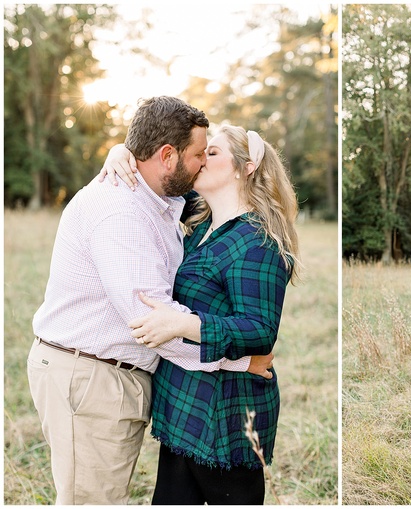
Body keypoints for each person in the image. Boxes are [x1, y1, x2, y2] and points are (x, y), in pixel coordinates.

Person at [27, 96, 272, 505]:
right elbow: (153, 323)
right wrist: (239, 361)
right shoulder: (124, 211)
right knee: (92, 501)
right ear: (167, 156)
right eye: (198, 154)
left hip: (105, 377)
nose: (202, 163)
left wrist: (122, 149)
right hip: (91, 378)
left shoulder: (161, 199)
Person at [101, 123, 301, 504]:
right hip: (182, 401)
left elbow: (260, 330)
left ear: (246, 168)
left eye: (213, 153)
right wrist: (120, 152)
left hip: (226, 411)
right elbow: (153, 179)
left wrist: (181, 324)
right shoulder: (203, 222)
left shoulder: (257, 241)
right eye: (201, 152)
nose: (200, 159)